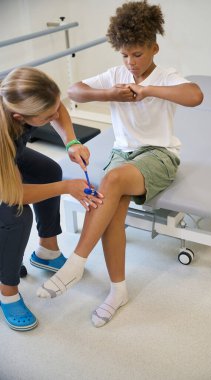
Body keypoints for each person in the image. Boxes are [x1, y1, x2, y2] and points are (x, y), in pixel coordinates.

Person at [37, 0, 203, 327]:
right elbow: (75, 91)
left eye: (138, 55)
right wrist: (109, 95)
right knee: (112, 212)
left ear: (154, 48)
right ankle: (118, 291)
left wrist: (146, 90)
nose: (131, 62)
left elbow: (195, 95)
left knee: (108, 184)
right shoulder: (116, 75)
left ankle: (75, 264)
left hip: (159, 155)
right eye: (125, 55)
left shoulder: (167, 76)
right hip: (122, 155)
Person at [0, 66, 103, 331]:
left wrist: (72, 143)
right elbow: (12, 194)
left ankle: (46, 251)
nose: (55, 116)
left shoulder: (20, 89)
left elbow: (57, 109)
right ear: (19, 117)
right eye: (47, 117)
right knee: (17, 214)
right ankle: (7, 291)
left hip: (9, 153)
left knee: (48, 171)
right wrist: (66, 187)